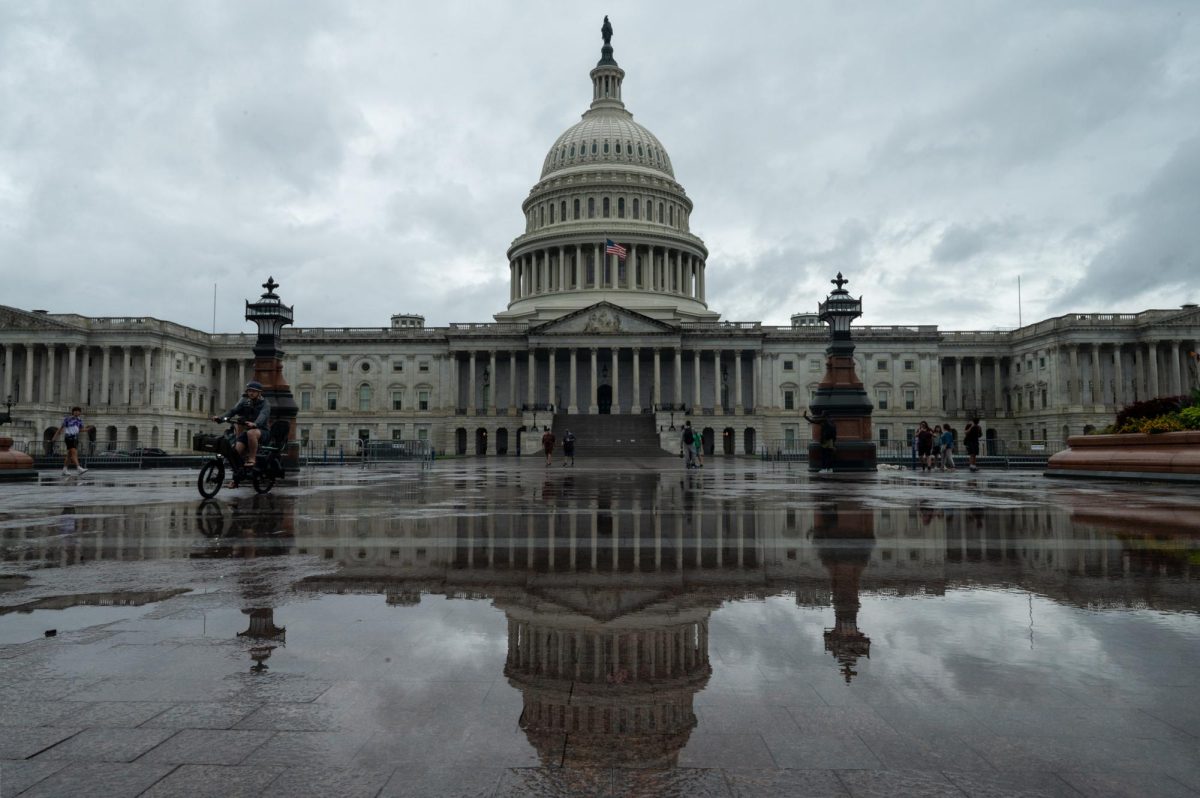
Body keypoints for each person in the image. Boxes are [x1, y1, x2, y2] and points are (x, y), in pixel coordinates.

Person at [214, 381, 271, 475]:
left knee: (251, 433)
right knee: (235, 453)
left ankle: (252, 458)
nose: (251, 393)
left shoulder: (265, 404)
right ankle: (236, 478)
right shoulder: (245, 402)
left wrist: (255, 424)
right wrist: (220, 418)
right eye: (249, 391)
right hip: (248, 432)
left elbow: (263, 415)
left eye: (254, 391)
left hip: (262, 432)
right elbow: (233, 411)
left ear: (259, 393)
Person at [52, 406, 93, 476]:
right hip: (69, 438)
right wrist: (54, 437)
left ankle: (64, 470)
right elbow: (61, 428)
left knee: (69, 455)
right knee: (74, 453)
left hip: (75, 438)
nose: (76, 412)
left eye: (78, 411)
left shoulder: (79, 420)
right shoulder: (68, 419)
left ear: (80, 412)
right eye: (75, 411)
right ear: (73, 412)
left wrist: (87, 429)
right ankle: (79, 468)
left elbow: (80, 429)